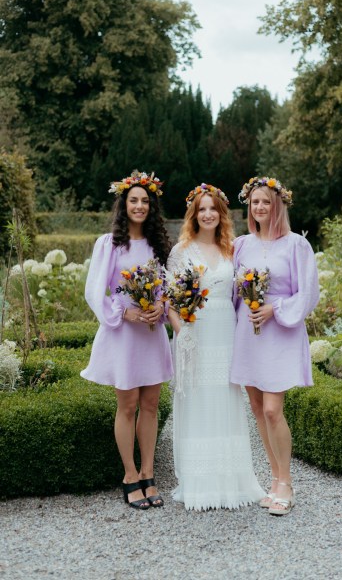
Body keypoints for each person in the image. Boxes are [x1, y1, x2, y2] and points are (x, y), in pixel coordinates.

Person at [167, 183, 265, 511]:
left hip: (226, 331)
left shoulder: (232, 250)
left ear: (221, 214)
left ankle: (232, 478)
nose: (207, 214)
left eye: (213, 209)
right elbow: (169, 301)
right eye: (202, 209)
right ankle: (200, 482)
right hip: (195, 331)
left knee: (226, 395)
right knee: (198, 397)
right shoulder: (182, 251)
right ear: (193, 215)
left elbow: (244, 293)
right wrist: (183, 333)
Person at [81, 170, 173, 510]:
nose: (139, 206)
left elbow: (168, 289)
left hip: (151, 334)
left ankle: (149, 474)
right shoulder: (109, 244)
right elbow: (94, 291)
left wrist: (161, 306)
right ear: (124, 204)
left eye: (145, 201)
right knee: (128, 405)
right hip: (123, 335)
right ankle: (130, 475)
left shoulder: (159, 245)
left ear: (151, 207)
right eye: (133, 200)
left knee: (150, 405)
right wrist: (124, 313)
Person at [231, 176, 319, 516]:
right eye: (254, 202)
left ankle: (286, 483)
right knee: (256, 407)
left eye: (265, 201)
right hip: (248, 332)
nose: (259, 207)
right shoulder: (242, 245)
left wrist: (275, 309)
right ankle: (273, 478)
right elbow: (231, 288)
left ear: (277, 204)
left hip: (279, 331)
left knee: (272, 409)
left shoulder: (296, 245)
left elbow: (308, 292)